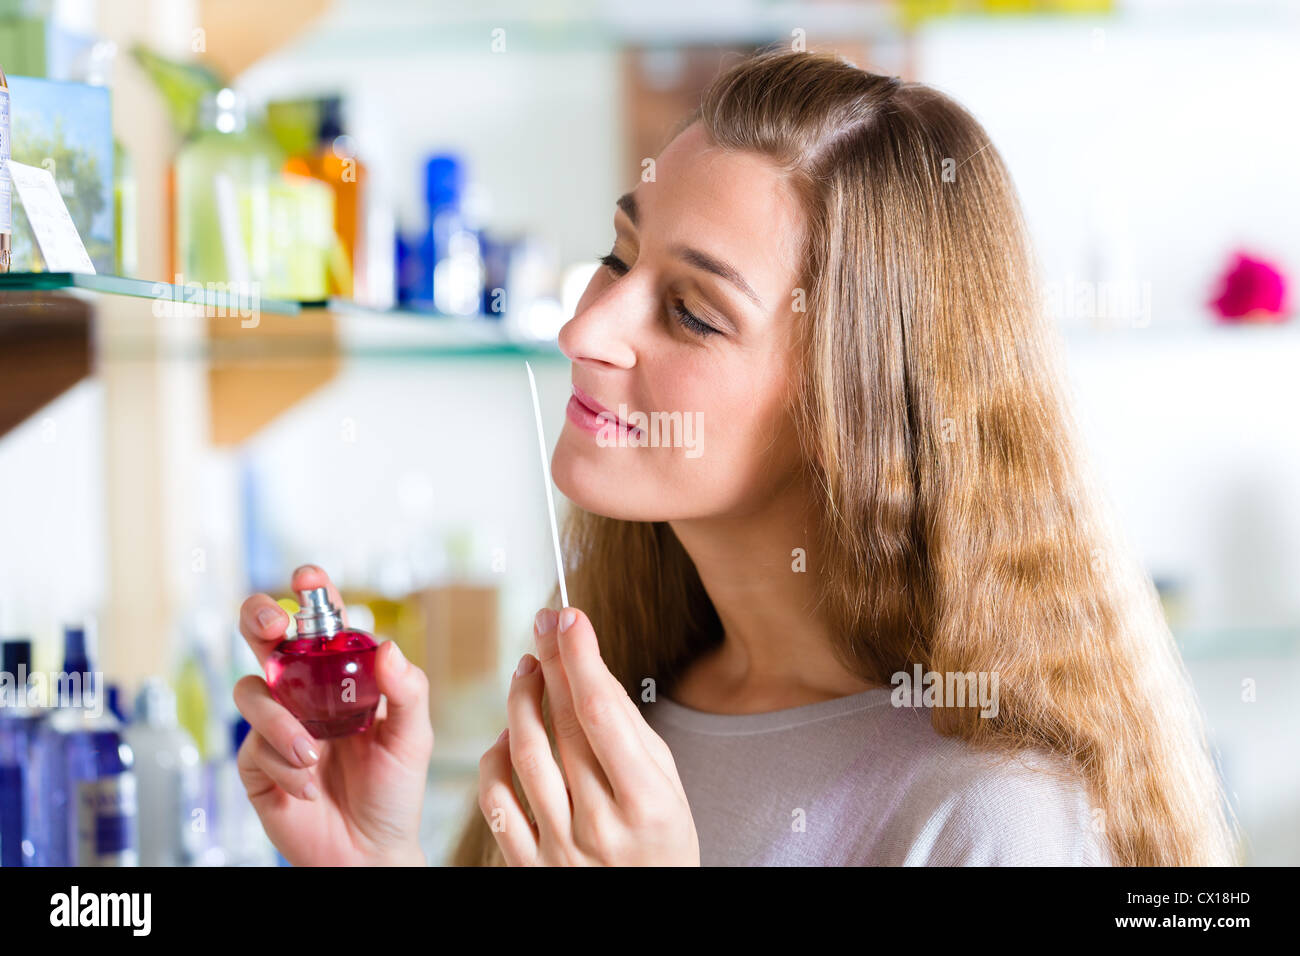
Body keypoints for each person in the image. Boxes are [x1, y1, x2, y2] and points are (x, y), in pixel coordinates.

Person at [234, 47, 1238, 867]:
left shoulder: (995, 817)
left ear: (855, 408)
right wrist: (370, 857)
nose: (587, 325)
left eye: (690, 311)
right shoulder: (636, 704)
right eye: (621, 257)